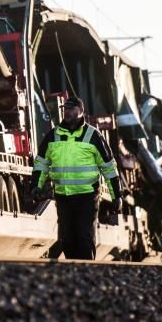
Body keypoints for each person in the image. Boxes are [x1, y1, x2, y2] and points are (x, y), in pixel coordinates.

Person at [31, 96, 121, 260]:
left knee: (84, 237)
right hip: (63, 196)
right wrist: (35, 186)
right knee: (67, 238)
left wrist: (117, 196)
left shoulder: (93, 136)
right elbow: (41, 164)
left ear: (81, 112)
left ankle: (86, 269)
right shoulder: (53, 135)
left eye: (71, 109)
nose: (67, 113)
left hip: (87, 196)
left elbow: (108, 168)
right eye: (65, 109)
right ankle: (72, 271)